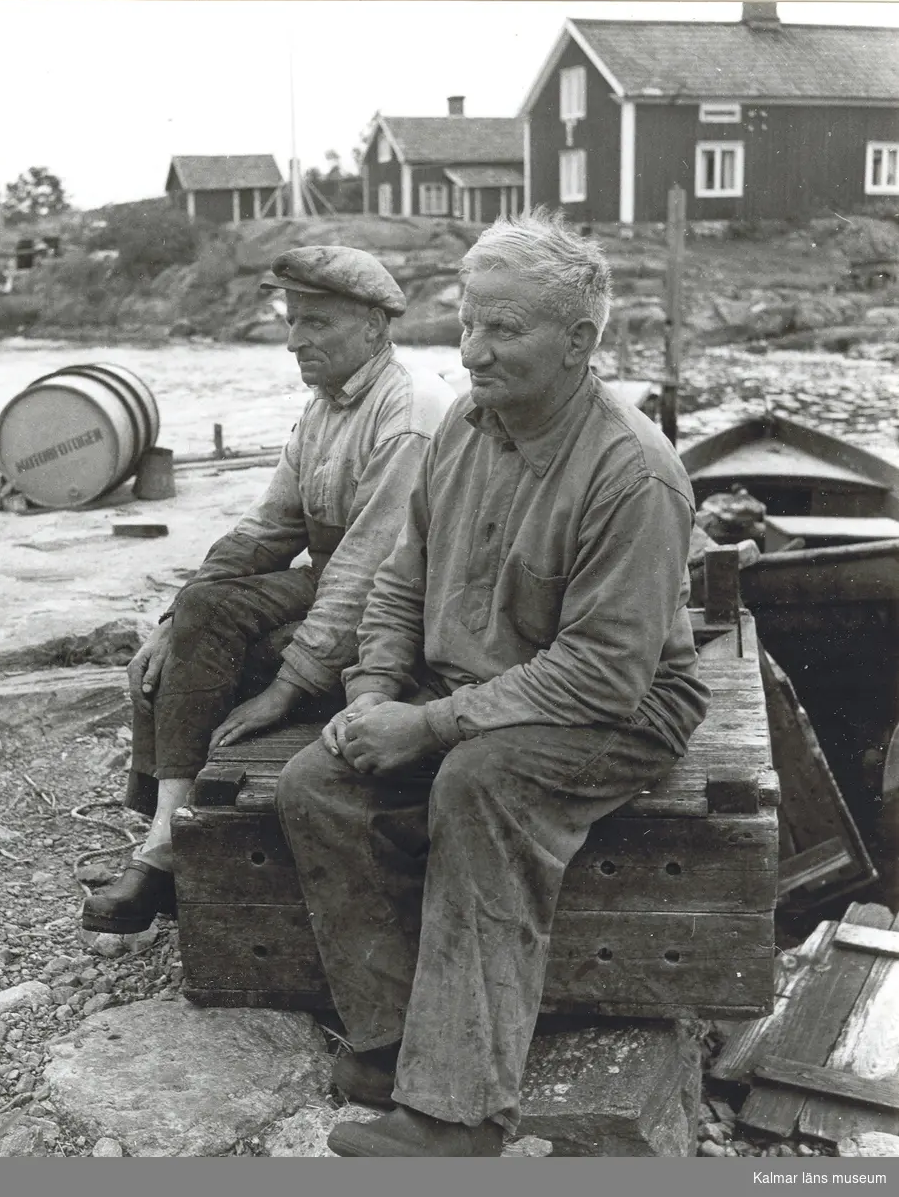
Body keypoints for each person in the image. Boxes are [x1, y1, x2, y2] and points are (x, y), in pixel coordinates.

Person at [275, 210, 712, 1157]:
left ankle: (457, 1114)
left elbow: (603, 671)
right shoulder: (463, 431)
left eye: (504, 329)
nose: (471, 351)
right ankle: (394, 1042)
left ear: (579, 343)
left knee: (483, 786)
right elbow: (397, 584)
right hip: (473, 683)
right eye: (467, 322)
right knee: (315, 780)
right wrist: (369, 696)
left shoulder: (633, 473)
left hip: (619, 705)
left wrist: (429, 728)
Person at [82, 246, 453, 937]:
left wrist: (288, 685)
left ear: (374, 326)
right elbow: (267, 529)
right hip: (334, 583)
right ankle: (165, 834)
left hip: (409, 611)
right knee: (200, 616)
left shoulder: (409, 413)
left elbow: (369, 575)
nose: (292, 341)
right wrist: (174, 620)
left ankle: (167, 847)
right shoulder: (324, 407)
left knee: (241, 662)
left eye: (313, 322)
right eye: (289, 321)